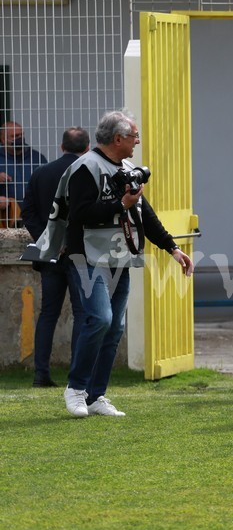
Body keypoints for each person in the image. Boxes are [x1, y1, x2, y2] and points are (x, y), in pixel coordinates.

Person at [31, 110, 193, 417]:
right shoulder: (85, 167)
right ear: (117, 138)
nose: (137, 141)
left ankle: (96, 395)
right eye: (134, 136)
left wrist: (172, 248)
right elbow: (78, 214)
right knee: (100, 319)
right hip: (87, 257)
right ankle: (76, 389)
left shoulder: (129, 168)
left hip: (119, 258)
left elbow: (145, 215)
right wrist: (120, 204)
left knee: (115, 326)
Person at [19, 127, 89, 388]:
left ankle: (41, 373)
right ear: (88, 148)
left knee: (49, 313)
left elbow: (28, 212)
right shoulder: (87, 173)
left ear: (61, 147)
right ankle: (77, 375)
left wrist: (47, 240)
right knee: (82, 314)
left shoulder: (41, 173)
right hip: (80, 253)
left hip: (50, 256)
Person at [1, 120, 48, 226]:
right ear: (3, 140)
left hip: (34, 217)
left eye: (21, 134)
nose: (20, 138)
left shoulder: (36, 158)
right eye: (15, 136)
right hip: (7, 219)